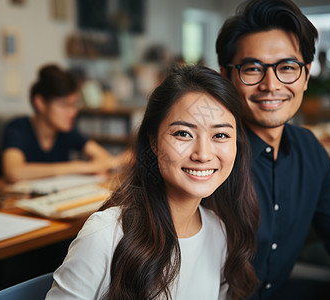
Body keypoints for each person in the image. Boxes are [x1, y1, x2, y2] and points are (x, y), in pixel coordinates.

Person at [216, 0, 330, 299]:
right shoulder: (207, 156)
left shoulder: (309, 150)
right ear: (226, 76)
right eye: (252, 68)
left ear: (306, 75)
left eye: (287, 68)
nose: (271, 85)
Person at [46, 64, 260, 299]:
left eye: (220, 135)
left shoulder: (220, 231)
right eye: (183, 133)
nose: (203, 154)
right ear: (154, 142)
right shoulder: (106, 234)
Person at [0, 64, 125, 183]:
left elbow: (104, 158)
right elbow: (13, 171)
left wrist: (103, 164)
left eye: (74, 104)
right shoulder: (18, 128)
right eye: (64, 105)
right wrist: (76, 167)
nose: (73, 112)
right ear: (40, 103)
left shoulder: (67, 131)